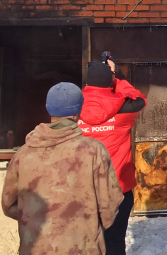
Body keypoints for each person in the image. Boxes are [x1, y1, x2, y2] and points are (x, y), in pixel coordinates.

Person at [2, 82, 123, 254]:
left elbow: (9, 204)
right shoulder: (93, 151)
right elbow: (109, 206)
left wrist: (37, 220)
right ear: (78, 111)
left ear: (48, 108)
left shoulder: (23, 153)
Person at [78, 60, 147, 255]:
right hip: (118, 188)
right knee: (115, 243)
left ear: (87, 84)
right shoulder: (125, 109)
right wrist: (119, 78)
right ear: (110, 81)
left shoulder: (74, 109)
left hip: (84, 188)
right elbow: (138, 97)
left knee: (86, 243)